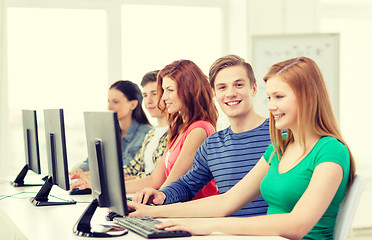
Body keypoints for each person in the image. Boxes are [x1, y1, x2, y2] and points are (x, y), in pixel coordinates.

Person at [128, 57, 356, 239]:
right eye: (270, 97)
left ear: (307, 98)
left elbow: (297, 225)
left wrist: (212, 226)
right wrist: (152, 211)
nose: (271, 106)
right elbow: (226, 201)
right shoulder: (280, 149)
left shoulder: (331, 151)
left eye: (278, 97)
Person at [133, 55, 271, 217]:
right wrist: (162, 195)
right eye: (222, 87)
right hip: (228, 232)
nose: (231, 93)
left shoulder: (280, 135)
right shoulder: (212, 144)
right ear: (213, 93)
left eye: (239, 85)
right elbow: (187, 184)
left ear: (254, 88)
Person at [125, 59, 219, 201]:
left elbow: (172, 185)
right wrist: (109, 190)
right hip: (177, 210)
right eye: (164, 90)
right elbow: (154, 181)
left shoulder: (199, 130)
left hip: (196, 215)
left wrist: (148, 202)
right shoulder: (178, 128)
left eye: (170, 90)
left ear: (189, 90)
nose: (163, 98)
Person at [70, 80, 152, 190]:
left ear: (133, 104)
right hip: (108, 189)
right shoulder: (108, 132)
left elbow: (136, 172)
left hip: (127, 191)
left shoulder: (147, 134)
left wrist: (94, 177)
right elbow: (92, 160)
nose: (109, 107)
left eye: (115, 102)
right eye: (109, 101)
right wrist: (80, 170)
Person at [123, 70, 169, 180]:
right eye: (145, 95)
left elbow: (154, 178)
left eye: (154, 94)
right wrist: (97, 177)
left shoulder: (175, 133)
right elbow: (133, 168)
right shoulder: (151, 134)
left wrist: (109, 183)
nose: (148, 101)